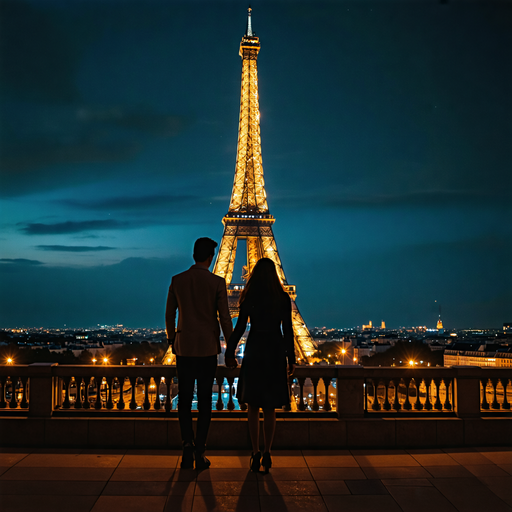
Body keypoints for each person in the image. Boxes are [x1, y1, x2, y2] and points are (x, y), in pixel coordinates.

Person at [166, 237, 233, 470]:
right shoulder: (217, 282)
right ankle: (200, 451)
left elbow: (169, 315)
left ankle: (186, 445)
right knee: (205, 402)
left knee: (184, 401)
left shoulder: (177, 280)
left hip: (184, 349)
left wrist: (172, 339)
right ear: (210, 257)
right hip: (207, 349)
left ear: (193, 254)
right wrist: (231, 348)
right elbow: (225, 318)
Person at [225, 258, 295, 473]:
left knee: (253, 407)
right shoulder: (282, 298)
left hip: (255, 349)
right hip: (274, 350)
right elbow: (289, 331)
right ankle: (268, 452)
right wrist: (291, 358)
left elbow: (239, 329)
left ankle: (255, 452)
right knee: (270, 407)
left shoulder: (250, 297)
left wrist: (230, 351)